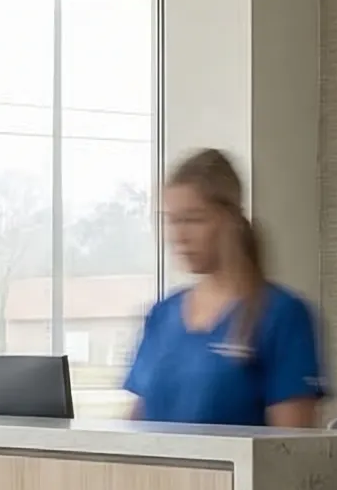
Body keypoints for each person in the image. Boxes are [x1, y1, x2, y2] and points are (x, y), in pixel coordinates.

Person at [124, 149, 326, 428]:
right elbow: (134, 428)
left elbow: (291, 446)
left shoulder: (281, 315)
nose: (178, 236)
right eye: (172, 220)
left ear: (229, 220)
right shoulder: (162, 315)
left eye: (193, 220)